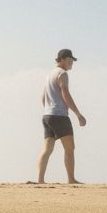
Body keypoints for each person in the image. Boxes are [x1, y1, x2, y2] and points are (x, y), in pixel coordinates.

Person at [37, 49, 87, 185]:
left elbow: (43, 98)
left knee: (47, 149)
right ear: (63, 59)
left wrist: (49, 108)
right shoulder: (62, 74)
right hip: (59, 116)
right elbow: (65, 93)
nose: (72, 63)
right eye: (70, 60)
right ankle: (71, 179)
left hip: (47, 115)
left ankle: (40, 179)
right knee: (70, 148)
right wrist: (77, 113)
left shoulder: (49, 75)